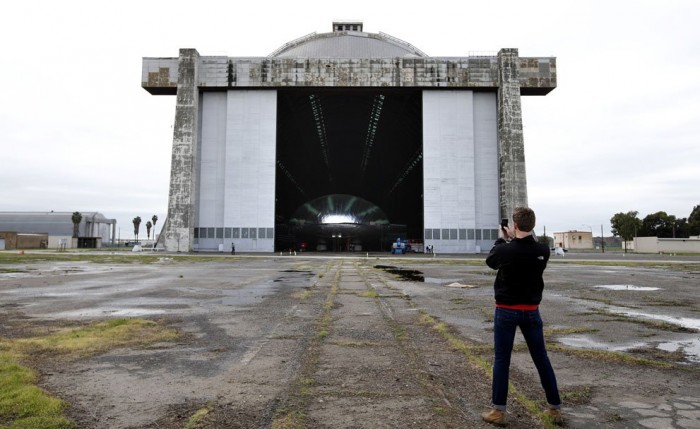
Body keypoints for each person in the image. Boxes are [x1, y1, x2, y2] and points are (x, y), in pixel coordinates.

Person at [482, 207, 563, 426]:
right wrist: (514, 238)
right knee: (541, 358)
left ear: (514, 226)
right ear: (533, 225)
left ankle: (498, 411)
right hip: (531, 312)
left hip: (506, 310)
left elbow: (491, 261)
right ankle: (554, 408)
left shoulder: (505, 250)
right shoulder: (543, 250)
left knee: (502, 360)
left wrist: (502, 240)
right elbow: (527, 248)